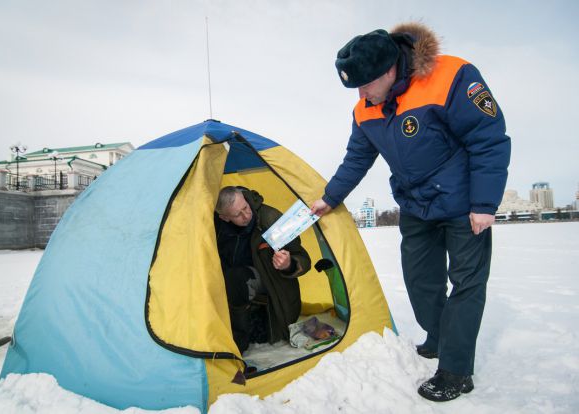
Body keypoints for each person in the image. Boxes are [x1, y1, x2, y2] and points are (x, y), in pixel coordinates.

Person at [311, 22, 511, 402]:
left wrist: (484, 204)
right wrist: (329, 197)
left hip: (463, 204)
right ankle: (438, 337)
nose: (360, 92)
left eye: (365, 83)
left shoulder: (452, 76)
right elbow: (357, 158)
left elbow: (488, 138)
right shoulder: (365, 109)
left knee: (466, 284)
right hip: (416, 205)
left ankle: (455, 370)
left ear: (388, 70)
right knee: (421, 282)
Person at [215, 186, 311, 354]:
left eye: (245, 207)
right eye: (238, 215)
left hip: (272, 285)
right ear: (224, 217)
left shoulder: (271, 219)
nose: (246, 215)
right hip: (228, 286)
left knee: (236, 279)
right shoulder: (213, 228)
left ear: (245, 198)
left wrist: (288, 264)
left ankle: (238, 345)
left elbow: (304, 259)